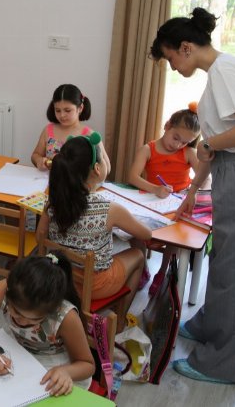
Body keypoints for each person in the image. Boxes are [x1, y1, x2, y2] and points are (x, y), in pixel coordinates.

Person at [150, 7, 235, 384]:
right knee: (224, 265)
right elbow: (216, 148)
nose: (173, 67)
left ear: (186, 47)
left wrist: (208, 144)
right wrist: (192, 190)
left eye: (171, 58)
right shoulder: (219, 74)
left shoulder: (224, 71)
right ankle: (208, 324)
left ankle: (221, 363)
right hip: (234, 175)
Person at [36, 133, 149, 332]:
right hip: (96, 285)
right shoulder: (109, 209)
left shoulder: (53, 203)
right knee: (138, 255)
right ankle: (119, 321)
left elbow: (40, 236)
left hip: (62, 277)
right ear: (97, 168)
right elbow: (146, 234)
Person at [0, 254, 94, 396]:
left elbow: (87, 364)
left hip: (55, 369)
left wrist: (66, 371)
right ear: (8, 293)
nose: (21, 322)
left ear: (50, 311)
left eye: (34, 320)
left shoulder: (65, 316)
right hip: (18, 355)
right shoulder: (4, 289)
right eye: (16, 312)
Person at [128, 103, 201, 294]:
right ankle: (143, 269)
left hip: (176, 204)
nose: (177, 145)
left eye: (184, 142)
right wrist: (155, 189)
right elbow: (132, 177)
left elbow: (204, 177)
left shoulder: (188, 153)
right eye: (176, 138)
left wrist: (192, 192)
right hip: (152, 201)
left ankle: (162, 271)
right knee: (132, 229)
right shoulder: (148, 149)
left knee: (174, 237)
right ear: (167, 125)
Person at [30, 84, 111, 173]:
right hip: (49, 180)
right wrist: (39, 161)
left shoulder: (90, 135)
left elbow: (107, 168)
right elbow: (35, 155)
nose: (62, 115)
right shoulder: (48, 130)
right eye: (57, 110)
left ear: (80, 108)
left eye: (67, 110)